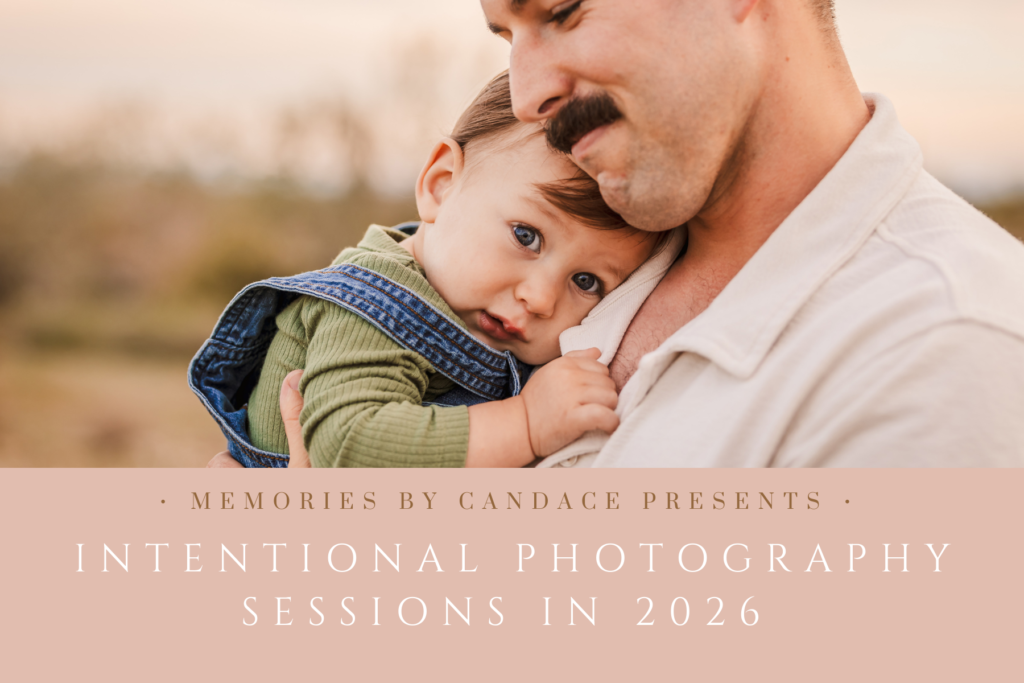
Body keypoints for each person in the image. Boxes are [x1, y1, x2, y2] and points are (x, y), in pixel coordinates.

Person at [196, 72, 672, 469]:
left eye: (586, 282)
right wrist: (525, 422)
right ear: (441, 185)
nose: (542, 298)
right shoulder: (377, 304)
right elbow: (347, 446)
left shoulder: (464, 296)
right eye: (526, 236)